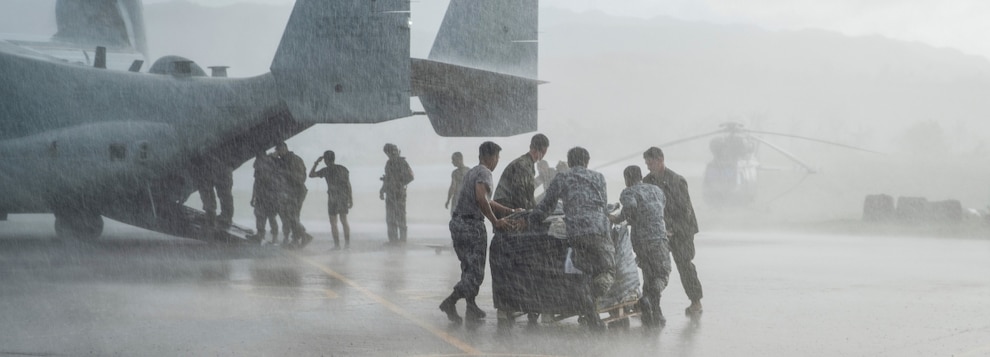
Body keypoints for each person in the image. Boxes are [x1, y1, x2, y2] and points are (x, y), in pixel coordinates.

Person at [531, 147, 612, 331]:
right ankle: (591, 307)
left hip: (578, 233)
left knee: (583, 271)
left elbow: (547, 205)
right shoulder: (599, 177)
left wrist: (531, 219)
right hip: (600, 231)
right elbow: (603, 205)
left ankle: (590, 311)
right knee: (606, 271)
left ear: (570, 161)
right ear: (587, 161)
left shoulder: (562, 178)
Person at [439, 141, 516, 324]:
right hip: (471, 226)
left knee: (468, 267)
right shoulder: (485, 172)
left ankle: (471, 306)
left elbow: (485, 199)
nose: (497, 161)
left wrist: (509, 211)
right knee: (476, 273)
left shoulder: (471, 172)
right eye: (497, 157)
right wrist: (495, 221)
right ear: (489, 157)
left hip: (458, 223)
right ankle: (450, 302)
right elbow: (482, 199)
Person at [643, 146, 703, 315]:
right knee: (653, 266)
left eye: (651, 162)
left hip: (682, 231)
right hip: (659, 232)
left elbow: (685, 212)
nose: (648, 166)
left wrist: (672, 229)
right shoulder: (647, 181)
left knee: (685, 265)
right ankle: (650, 302)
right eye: (646, 163)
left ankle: (696, 302)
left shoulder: (676, 181)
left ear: (661, 160)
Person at [609, 165, 672, 328]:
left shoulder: (628, 192)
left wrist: (618, 219)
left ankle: (654, 312)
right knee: (663, 274)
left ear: (627, 179)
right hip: (658, 238)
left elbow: (630, 208)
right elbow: (658, 209)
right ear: (641, 176)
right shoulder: (656, 190)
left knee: (649, 273)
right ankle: (648, 300)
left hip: (641, 240)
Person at [493, 133, 549, 215]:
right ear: (542, 151)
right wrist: (534, 212)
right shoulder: (523, 165)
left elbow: (527, 194)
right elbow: (520, 194)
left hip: (506, 208)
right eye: (544, 152)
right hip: (507, 210)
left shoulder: (526, 163)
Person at [310, 150, 353, 250]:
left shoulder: (326, 170)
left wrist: (316, 163)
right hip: (343, 197)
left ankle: (337, 245)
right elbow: (348, 185)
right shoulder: (343, 169)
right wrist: (350, 198)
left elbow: (311, 175)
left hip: (333, 198)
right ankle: (347, 244)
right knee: (344, 221)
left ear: (325, 160)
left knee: (333, 222)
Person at [274, 142, 311, 247]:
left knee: (292, 216)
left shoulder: (294, 160)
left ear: (285, 148)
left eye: (279, 150)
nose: (279, 153)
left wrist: (286, 173)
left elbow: (301, 178)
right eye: (277, 151)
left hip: (297, 192)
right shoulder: (283, 160)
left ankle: (300, 237)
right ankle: (299, 237)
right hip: (289, 192)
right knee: (290, 216)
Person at [190, 152, 234, 232]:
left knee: (209, 193)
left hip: (211, 167)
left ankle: (212, 219)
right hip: (220, 166)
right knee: (223, 194)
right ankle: (223, 217)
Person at [380, 143, 414, 245]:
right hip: (391, 194)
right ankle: (393, 240)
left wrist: (398, 183)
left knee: (400, 216)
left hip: (399, 194)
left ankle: (402, 240)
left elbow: (411, 176)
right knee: (391, 217)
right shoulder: (389, 163)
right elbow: (387, 179)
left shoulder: (402, 162)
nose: (390, 154)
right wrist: (382, 190)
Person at [249, 151, 280, 243]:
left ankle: (264, 235)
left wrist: (253, 196)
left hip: (268, 195)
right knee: (266, 216)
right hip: (265, 195)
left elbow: (257, 182)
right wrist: (253, 196)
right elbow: (256, 182)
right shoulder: (269, 163)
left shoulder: (266, 164)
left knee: (266, 216)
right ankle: (267, 236)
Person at [444, 152, 470, 216]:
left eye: (453, 160)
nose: (452, 162)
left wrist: (448, 200)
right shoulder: (469, 171)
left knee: (456, 221)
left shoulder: (455, 173)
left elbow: (453, 187)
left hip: (457, 200)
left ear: (459, 159)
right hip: (467, 200)